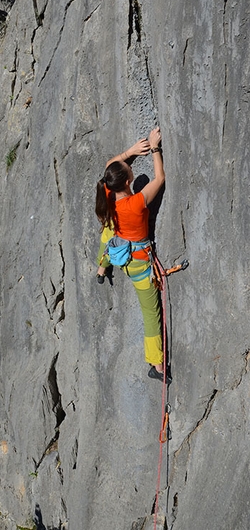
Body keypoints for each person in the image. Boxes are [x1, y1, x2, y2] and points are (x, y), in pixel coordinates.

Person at [95, 127, 170, 384]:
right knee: (151, 314)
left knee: (107, 235)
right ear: (128, 182)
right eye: (130, 170)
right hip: (138, 264)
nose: (131, 168)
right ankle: (156, 364)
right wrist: (154, 146)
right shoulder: (136, 203)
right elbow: (159, 178)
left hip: (120, 250)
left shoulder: (108, 195)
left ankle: (101, 268)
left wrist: (131, 152)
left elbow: (110, 164)